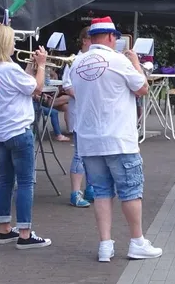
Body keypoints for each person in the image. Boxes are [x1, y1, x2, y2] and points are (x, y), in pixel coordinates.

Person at [65, 17, 161, 262]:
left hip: (89, 140)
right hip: (119, 138)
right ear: (110, 37)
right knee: (130, 191)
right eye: (116, 37)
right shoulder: (118, 60)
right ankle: (137, 241)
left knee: (101, 193)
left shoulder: (76, 63)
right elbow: (142, 88)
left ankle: (105, 245)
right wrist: (136, 62)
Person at [0, 24, 52, 249]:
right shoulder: (9, 69)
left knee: (5, 180)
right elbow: (38, 88)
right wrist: (41, 66)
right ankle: (25, 233)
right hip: (19, 131)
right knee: (25, 182)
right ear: (4, 44)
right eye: (12, 40)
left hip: (0, 132)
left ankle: (4, 229)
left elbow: (21, 86)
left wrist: (30, 68)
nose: (15, 44)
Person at [64, 27, 94, 208]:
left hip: (92, 113)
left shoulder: (94, 59)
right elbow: (67, 85)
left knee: (92, 154)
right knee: (79, 154)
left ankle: (91, 188)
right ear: (84, 40)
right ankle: (75, 192)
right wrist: (84, 96)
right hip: (80, 111)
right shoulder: (73, 60)